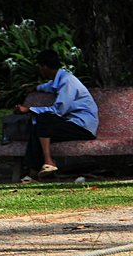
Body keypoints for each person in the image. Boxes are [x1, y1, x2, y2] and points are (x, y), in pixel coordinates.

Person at [15, 49, 97, 178]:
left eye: (40, 67)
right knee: (37, 127)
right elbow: (49, 86)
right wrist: (35, 88)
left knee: (43, 119)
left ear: (44, 67)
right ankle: (34, 172)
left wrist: (29, 109)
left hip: (82, 126)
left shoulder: (68, 82)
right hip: (71, 123)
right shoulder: (60, 79)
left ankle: (47, 162)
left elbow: (59, 111)